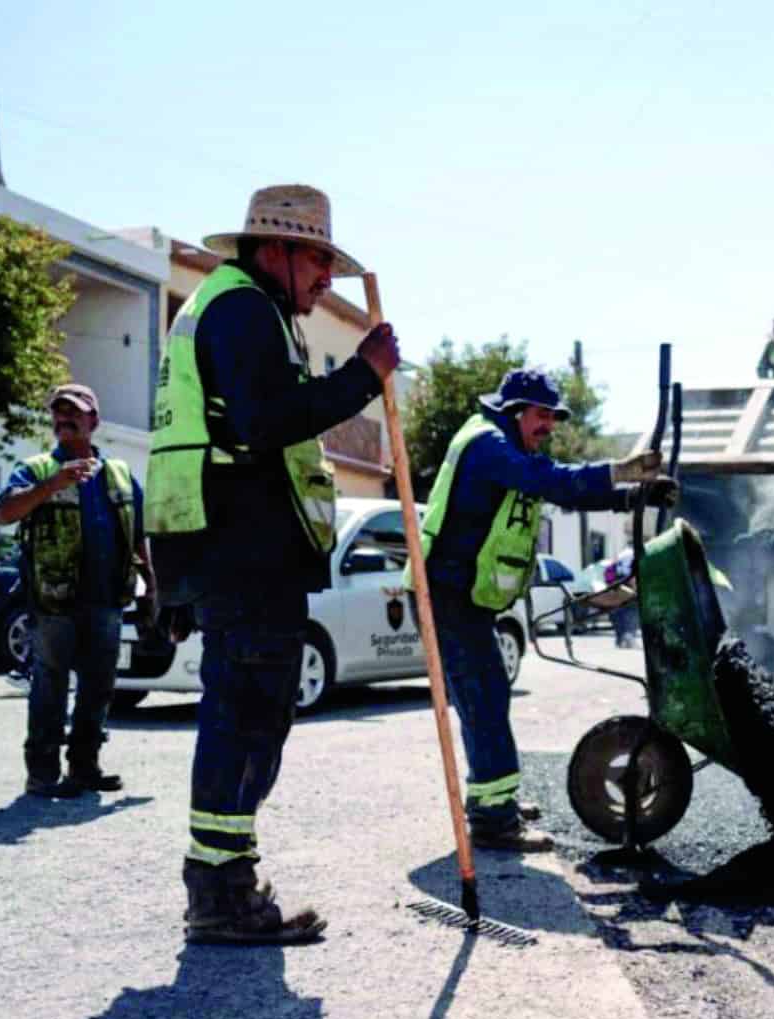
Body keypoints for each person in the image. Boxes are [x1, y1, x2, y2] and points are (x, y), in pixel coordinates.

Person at [147, 184, 401, 944]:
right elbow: (266, 421)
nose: (325, 278)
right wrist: (362, 376)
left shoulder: (238, 307)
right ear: (276, 250)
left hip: (233, 544)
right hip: (243, 549)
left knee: (250, 712)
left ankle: (225, 884)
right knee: (247, 715)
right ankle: (221, 896)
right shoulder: (243, 309)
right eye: (318, 260)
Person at [411, 369, 674, 852]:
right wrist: (621, 471)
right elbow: (549, 481)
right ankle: (493, 820)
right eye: (541, 415)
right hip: (446, 593)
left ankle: (494, 800)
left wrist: (632, 497)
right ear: (514, 412)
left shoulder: (510, 449)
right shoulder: (488, 445)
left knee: (489, 695)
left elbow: (561, 489)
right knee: (484, 696)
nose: (549, 426)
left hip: (463, 593)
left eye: (553, 417)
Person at [0, 383, 151, 798]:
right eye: (58, 412)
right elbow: (4, 513)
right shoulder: (37, 469)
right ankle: (43, 775)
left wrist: (152, 586)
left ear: (93, 421)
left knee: (99, 687)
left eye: (74, 412)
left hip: (107, 600)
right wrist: (52, 484)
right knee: (50, 685)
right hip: (53, 600)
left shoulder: (119, 474)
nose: (64, 418)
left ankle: (85, 767)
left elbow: (138, 534)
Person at [605, 548, 639, 648]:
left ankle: (620, 639)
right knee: (632, 608)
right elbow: (632, 575)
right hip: (625, 583)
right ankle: (628, 636)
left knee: (617, 611)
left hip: (615, 585)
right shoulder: (633, 554)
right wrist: (634, 588)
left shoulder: (623, 554)